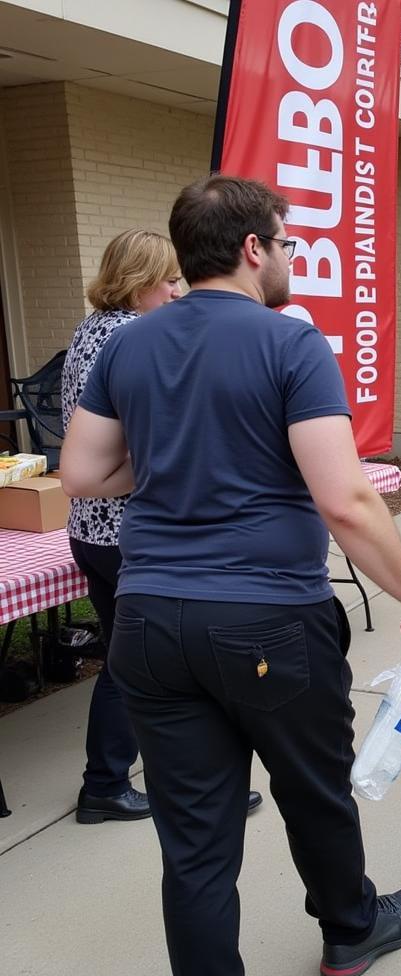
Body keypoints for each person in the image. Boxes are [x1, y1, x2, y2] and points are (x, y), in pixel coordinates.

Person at [61, 175, 401, 976]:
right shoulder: (290, 344)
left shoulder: (129, 345)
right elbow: (346, 499)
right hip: (269, 619)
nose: (290, 255)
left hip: (150, 618)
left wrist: (171, 465)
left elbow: (82, 473)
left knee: (194, 847)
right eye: (285, 241)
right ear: (251, 249)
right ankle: (350, 930)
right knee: (314, 789)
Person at [61, 230, 182, 824]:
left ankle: (120, 781)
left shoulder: (90, 331)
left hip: (90, 532)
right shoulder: (137, 339)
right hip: (130, 529)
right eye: (169, 279)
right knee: (151, 665)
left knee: (124, 659)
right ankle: (112, 784)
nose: (177, 290)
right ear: (139, 282)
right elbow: (159, 439)